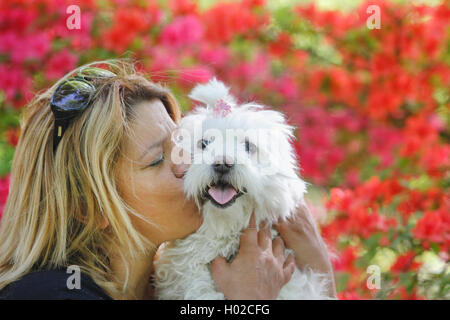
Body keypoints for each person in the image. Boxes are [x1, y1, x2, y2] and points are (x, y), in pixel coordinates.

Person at [0, 60, 336, 299]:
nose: (189, 165)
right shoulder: (50, 294)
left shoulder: (164, 286)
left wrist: (319, 271)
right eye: (158, 160)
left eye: (184, 147)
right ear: (90, 207)